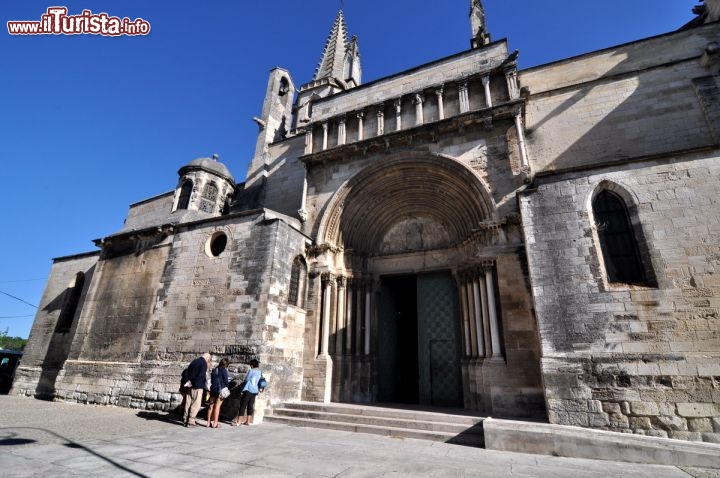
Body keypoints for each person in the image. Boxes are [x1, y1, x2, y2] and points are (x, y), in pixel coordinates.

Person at [231, 358, 264, 426]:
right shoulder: (259, 371)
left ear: (252, 365)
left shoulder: (251, 371)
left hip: (249, 389)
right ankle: (248, 421)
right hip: (255, 390)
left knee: (243, 405)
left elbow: (247, 379)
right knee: (250, 405)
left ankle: (239, 421)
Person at [183, 352, 211, 427]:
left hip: (190, 385)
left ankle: (185, 419)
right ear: (207, 358)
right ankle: (191, 421)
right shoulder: (204, 363)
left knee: (188, 403)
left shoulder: (194, 361)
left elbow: (187, 372)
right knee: (196, 403)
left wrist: (189, 381)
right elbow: (201, 375)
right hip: (198, 386)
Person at [206, 358, 230, 428]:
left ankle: (208, 422)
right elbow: (226, 381)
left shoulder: (214, 370)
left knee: (211, 406)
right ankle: (215, 423)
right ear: (226, 364)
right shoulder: (224, 370)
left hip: (213, 389)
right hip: (220, 390)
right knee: (217, 406)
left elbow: (212, 379)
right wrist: (227, 386)